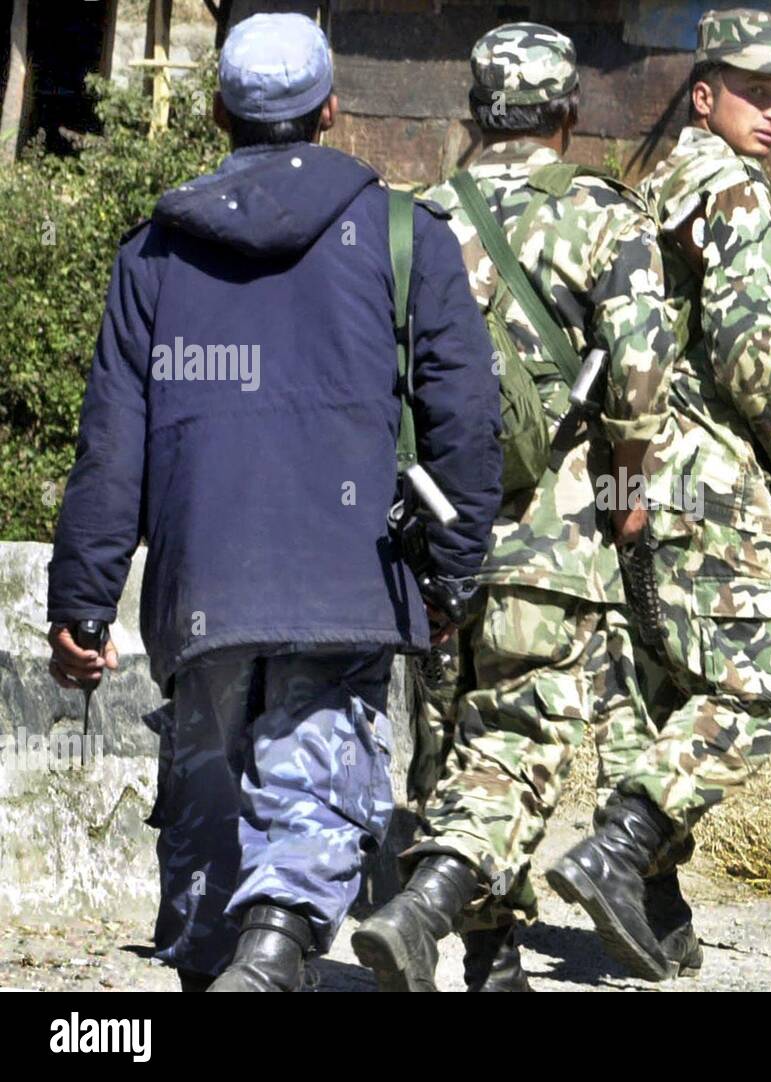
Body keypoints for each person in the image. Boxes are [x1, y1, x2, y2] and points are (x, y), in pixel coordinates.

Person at [44, 12, 501, 993]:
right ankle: (274, 948)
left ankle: (240, 962)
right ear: (331, 110)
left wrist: (82, 603)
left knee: (207, 815)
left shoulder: (154, 254)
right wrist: (454, 573)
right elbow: (465, 421)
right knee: (317, 783)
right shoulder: (404, 236)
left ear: (218, 113)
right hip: (349, 572)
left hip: (204, 580)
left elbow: (111, 447)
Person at [349, 22, 677, 992]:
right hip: (551, 538)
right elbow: (640, 381)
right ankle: (421, 910)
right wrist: (627, 499)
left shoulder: (411, 219)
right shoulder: (604, 216)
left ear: (473, 112)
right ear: (568, 113)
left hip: (429, 531)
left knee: (449, 743)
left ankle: (492, 962)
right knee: (522, 742)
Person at [547, 7, 771, 981]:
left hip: (627, 472)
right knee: (752, 693)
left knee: (655, 688)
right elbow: (751, 348)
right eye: (755, 91)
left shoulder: (649, 188)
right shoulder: (733, 188)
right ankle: (622, 847)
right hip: (704, 474)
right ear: (702, 96)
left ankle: (656, 910)